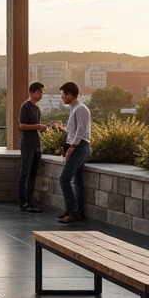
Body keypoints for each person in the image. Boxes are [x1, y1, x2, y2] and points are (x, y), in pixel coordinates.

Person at [57, 81, 92, 224]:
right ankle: (78, 211)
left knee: (64, 179)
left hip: (80, 147)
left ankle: (73, 211)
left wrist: (72, 147)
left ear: (70, 94)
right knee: (77, 181)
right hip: (77, 146)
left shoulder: (80, 108)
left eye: (63, 95)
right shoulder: (74, 108)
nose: (62, 97)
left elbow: (81, 130)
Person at [17, 82, 48, 212]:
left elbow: (35, 126)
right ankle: (22, 203)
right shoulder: (25, 106)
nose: (41, 95)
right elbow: (22, 126)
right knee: (25, 173)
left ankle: (29, 203)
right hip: (27, 144)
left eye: (42, 92)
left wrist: (42, 128)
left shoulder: (37, 109)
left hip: (36, 144)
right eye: (39, 92)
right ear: (32, 92)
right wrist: (37, 126)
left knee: (33, 174)